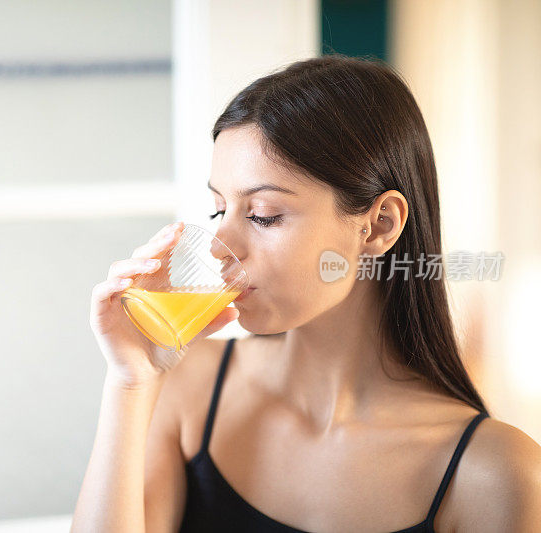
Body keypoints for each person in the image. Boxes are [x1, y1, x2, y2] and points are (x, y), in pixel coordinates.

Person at [71, 55, 541, 532]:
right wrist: (129, 384)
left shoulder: (496, 475)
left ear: (379, 226)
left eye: (263, 215)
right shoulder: (189, 389)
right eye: (219, 211)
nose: (218, 247)